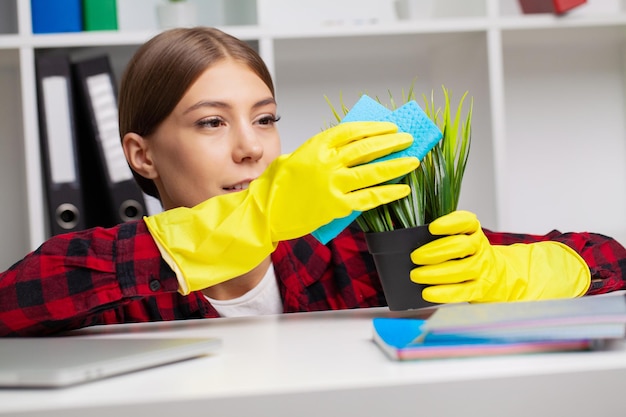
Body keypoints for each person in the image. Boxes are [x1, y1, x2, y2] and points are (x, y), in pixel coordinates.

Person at [1, 27, 625, 337]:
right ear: (142, 156)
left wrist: (508, 274)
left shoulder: (352, 254)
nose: (251, 148)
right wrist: (252, 220)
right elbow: (13, 302)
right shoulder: (116, 276)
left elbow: (610, 260)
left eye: (266, 120)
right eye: (211, 122)